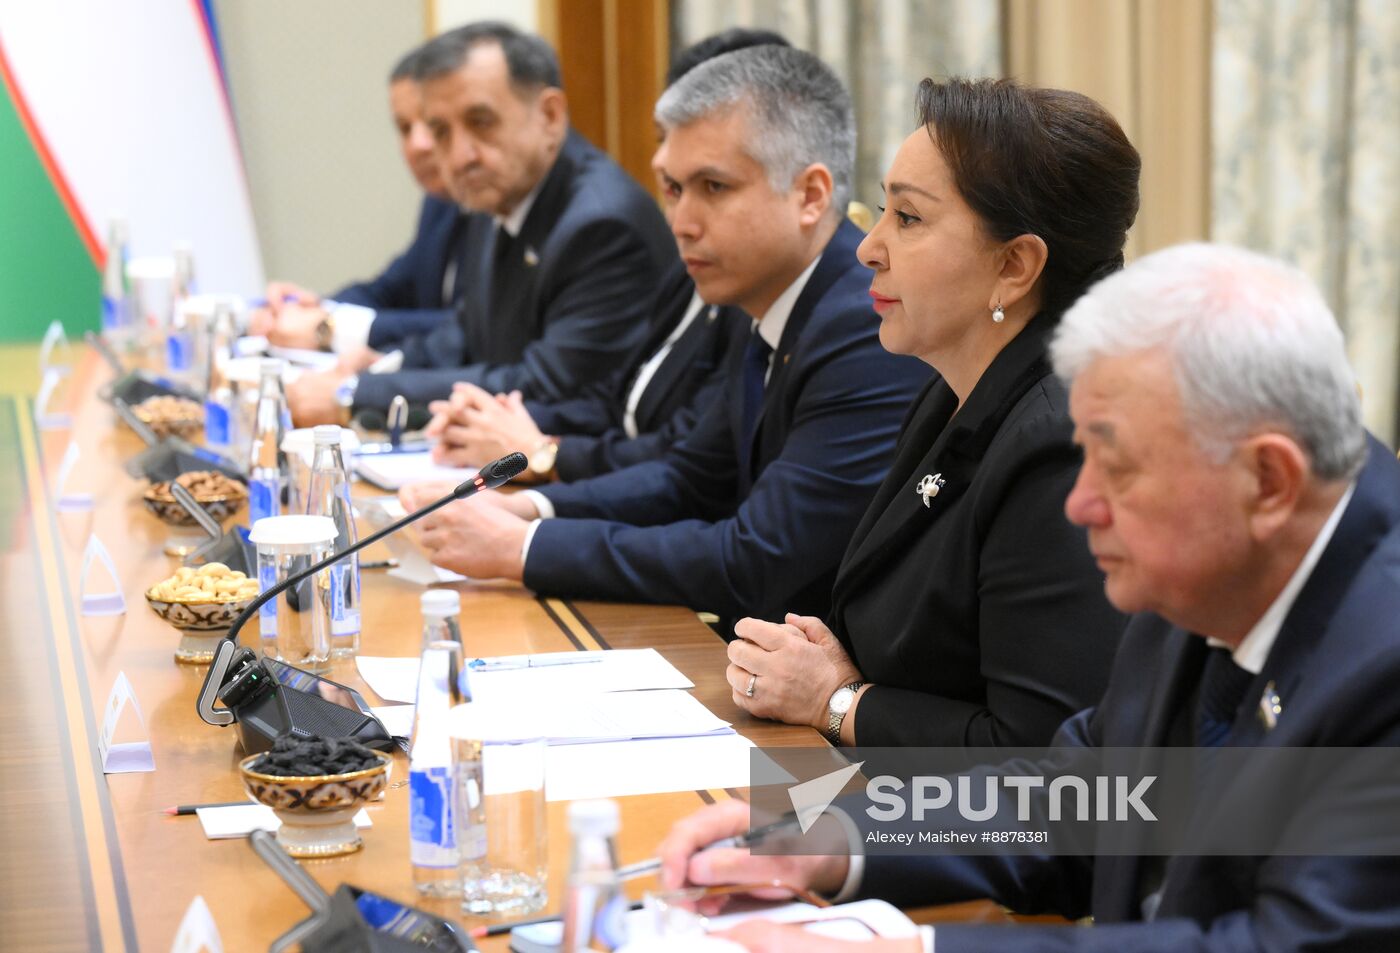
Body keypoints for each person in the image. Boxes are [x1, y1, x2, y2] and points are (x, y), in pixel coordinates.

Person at [657, 243, 1400, 952]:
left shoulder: (1381, 660)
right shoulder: (1210, 568)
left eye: (1118, 468)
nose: (1080, 505)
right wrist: (820, 837)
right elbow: (1075, 799)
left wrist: (917, 945)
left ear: (1268, 482)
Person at [401, 45, 930, 631]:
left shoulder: (861, 328)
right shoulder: (757, 297)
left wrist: (524, 547)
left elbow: (758, 559)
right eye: (674, 188)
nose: (682, 221)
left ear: (810, 195)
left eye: (714, 187)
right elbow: (688, 478)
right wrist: (523, 506)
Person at [723, 78, 1136, 750]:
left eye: (908, 219)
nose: (867, 248)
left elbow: (1040, 756)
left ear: (1014, 265)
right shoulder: (957, 387)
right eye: (881, 211)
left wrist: (836, 701)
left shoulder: (1062, 444)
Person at [422, 28, 791, 483]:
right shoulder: (691, 264)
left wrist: (542, 462)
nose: (681, 217)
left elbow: (688, 471)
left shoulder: (610, 222)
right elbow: (617, 401)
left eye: (713, 183)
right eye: (667, 149)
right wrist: (495, 425)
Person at [286, 22, 675, 424]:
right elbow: (467, 333)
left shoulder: (602, 225)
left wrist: (358, 394)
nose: (459, 157)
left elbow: (543, 384)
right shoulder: (498, 193)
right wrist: (379, 369)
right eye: (441, 131)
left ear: (550, 116)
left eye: (481, 121)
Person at [249, 44, 467, 354]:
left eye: (434, 123)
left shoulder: (499, 206)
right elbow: (390, 289)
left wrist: (327, 327)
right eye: (404, 128)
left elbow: (469, 329)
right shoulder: (441, 202)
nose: (417, 144)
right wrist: (313, 307)